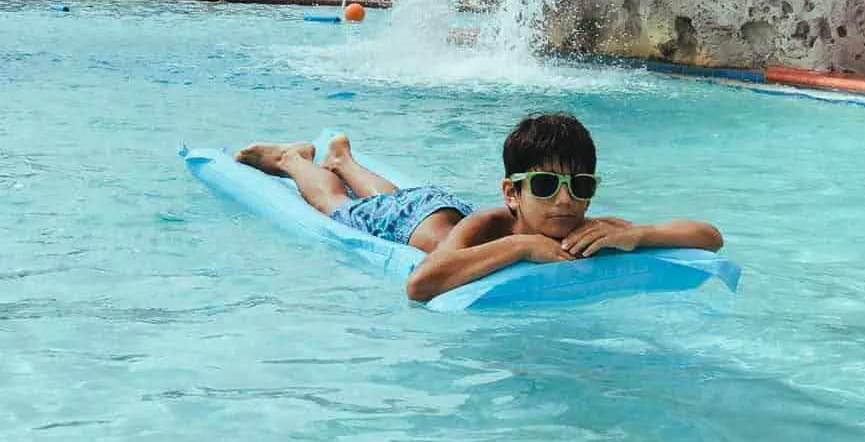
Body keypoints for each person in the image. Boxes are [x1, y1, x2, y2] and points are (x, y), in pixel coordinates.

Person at [234, 113, 724, 302]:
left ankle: (342, 157)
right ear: (512, 193)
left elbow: (708, 236)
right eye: (547, 184)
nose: (565, 199)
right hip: (411, 224)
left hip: (436, 210)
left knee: (390, 195)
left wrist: (638, 235)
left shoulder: (594, 226)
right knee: (337, 204)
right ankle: (294, 159)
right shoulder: (493, 223)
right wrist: (520, 246)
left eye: (580, 185)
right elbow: (419, 284)